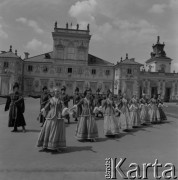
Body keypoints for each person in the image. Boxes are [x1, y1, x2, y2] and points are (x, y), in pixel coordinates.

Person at [37, 87, 67, 152]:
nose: (58, 92)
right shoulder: (50, 99)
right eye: (56, 91)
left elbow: (63, 106)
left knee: (56, 131)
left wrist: (66, 110)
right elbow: (46, 106)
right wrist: (41, 112)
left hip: (58, 116)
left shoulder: (60, 100)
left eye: (58, 91)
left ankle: (56, 146)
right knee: (47, 129)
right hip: (50, 115)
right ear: (53, 93)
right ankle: (45, 145)